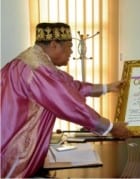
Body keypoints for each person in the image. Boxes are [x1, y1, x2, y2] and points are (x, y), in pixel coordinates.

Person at [0, 22, 133, 178]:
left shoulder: (28, 62)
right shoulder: (38, 69)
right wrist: (110, 127)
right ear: (54, 45)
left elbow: (68, 86)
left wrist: (107, 88)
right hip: (14, 147)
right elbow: (68, 103)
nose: (71, 52)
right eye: (69, 46)